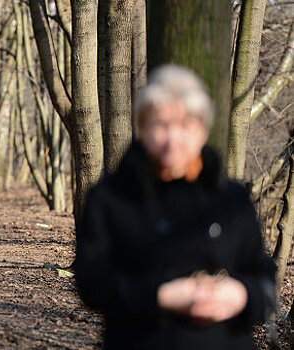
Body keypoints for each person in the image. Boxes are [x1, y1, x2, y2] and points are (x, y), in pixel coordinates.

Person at [74, 65, 276, 349]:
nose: (173, 139)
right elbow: (91, 282)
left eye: (185, 126)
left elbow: (264, 278)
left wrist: (241, 295)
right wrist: (161, 296)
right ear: (141, 128)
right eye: (160, 125)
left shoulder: (231, 198)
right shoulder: (111, 197)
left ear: (203, 131)